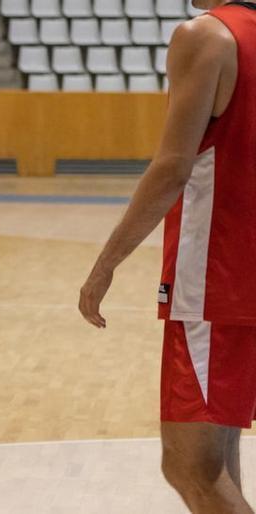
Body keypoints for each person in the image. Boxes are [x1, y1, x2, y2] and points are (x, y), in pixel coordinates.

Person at [79, 2, 256, 511]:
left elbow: (173, 166)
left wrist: (107, 262)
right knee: (218, 457)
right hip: (241, 271)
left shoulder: (207, 36)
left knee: (189, 467)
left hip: (216, 275)